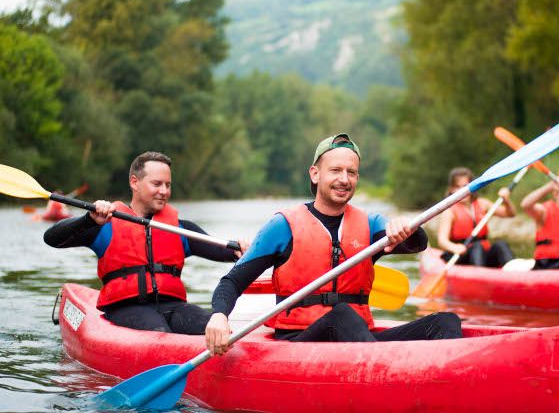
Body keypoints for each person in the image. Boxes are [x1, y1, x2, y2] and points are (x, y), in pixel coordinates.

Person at [205, 133, 461, 355]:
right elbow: (232, 282)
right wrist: (219, 315)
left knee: (445, 322)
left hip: (359, 339)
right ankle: (382, 381)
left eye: (352, 172)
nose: (344, 179)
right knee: (341, 315)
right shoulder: (282, 226)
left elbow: (418, 244)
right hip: (299, 343)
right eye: (336, 170)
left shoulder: (371, 224)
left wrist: (406, 227)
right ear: (315, 174)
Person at [43, 151, 249, 334]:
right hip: (126, 308)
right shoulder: (104, 225)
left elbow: (223, 251)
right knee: (159, 332)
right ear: (135, 182)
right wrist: (88, 220)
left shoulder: (178, 228)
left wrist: (240, 249)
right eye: (157, 184)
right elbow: (52, 239)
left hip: (174, 307)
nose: (164, 191)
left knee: (216, 328)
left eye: (168, 185)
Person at [437, 167, 516, 267]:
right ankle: (480, 275)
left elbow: (510, 214)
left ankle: (513, 270)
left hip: (482, 253)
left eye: (465, 186)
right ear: (452, 189)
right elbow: (442, 241)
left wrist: (506, 200)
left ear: (473, 187)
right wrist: (455, 248)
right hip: (460, 255)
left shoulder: (483, 204)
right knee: (477, 247)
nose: (462, 191)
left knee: (500, 244)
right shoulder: (449, 212)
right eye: (458, 187)